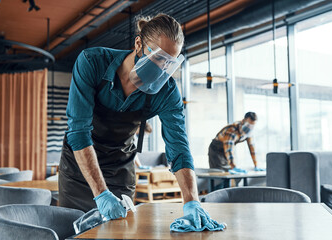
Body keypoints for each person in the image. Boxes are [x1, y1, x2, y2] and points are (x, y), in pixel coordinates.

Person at [59, 13, 221, 230]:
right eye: (158, 57)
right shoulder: (92, 62)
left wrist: (191, 200)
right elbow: (78, 132)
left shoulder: (166, 91)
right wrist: (100, 193)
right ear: (138, 44)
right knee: (74, 232)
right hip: (79, 169)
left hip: (120, 170)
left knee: (119, 232)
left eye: (169, 63)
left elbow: (179, 147)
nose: (161, 68)